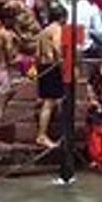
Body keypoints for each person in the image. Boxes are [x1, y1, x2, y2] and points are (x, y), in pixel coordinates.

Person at [33, 17, 69, 149]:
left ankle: (54, 132)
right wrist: (62, 60)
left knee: (48, 101)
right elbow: (57, 44)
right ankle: (42, 135)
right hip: (51, 66)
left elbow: (36, 53)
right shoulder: (57, 29)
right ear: (62, 17)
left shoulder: (43, 31)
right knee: (49, 102)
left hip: (42, 66)